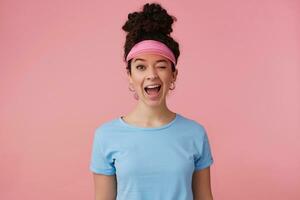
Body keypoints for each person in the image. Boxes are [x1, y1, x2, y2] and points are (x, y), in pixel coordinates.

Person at [89, 3, 214, 200]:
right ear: (130, 76)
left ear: (173, 75)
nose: (152, 75)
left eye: (161, 66)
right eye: (141, 67)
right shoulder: (106, 136)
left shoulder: (195, 133)